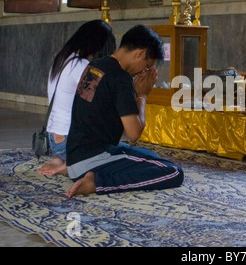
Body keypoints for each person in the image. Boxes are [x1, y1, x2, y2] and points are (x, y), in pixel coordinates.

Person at [64, 25, 184, 198]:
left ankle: (82, 171)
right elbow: (134, 133)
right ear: (140, 54)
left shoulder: (95, 65)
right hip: (94, 157)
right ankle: (97, 183)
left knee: (151, 157)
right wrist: (142, 95)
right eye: (147, 66)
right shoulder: (121, 78)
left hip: (75, 155)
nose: (144, 71)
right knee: (173, 171)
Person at [38, 20, 116, 176]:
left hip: (53, 140)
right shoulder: (81, 66)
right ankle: (70, 166)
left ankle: (59, 159)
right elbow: (98, 102)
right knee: (115, 155)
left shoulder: (62, 59)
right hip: (70, 142)